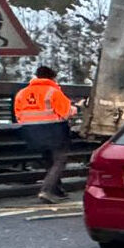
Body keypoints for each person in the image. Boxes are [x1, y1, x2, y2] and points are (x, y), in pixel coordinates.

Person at [13, 66, 75, 204]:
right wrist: (75, 109)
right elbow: (66, 112)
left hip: (30, 132)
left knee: (48, 159)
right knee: (60, 160)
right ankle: (46, 190)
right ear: (52, 77)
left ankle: (57, 190)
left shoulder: (22, 93)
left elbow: (18, 114)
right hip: (53, 130)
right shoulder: (53, 92)